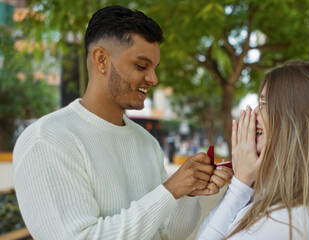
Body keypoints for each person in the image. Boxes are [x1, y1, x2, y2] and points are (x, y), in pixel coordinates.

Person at [13, 5, 232, 240]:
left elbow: (169, 235)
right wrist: (169, 191)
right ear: (101, 60)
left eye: (154, 68)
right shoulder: (48, 139)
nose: (153, 79)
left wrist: (186, 194)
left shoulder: (146, 142)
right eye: (141, 66)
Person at [196, 60, 309, 240]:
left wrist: (239, 186)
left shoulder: (281, 222)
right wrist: (244, 184)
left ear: (294, 124)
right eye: (260, 101)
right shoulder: (278, 200)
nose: (254, 112)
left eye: (265, 104)